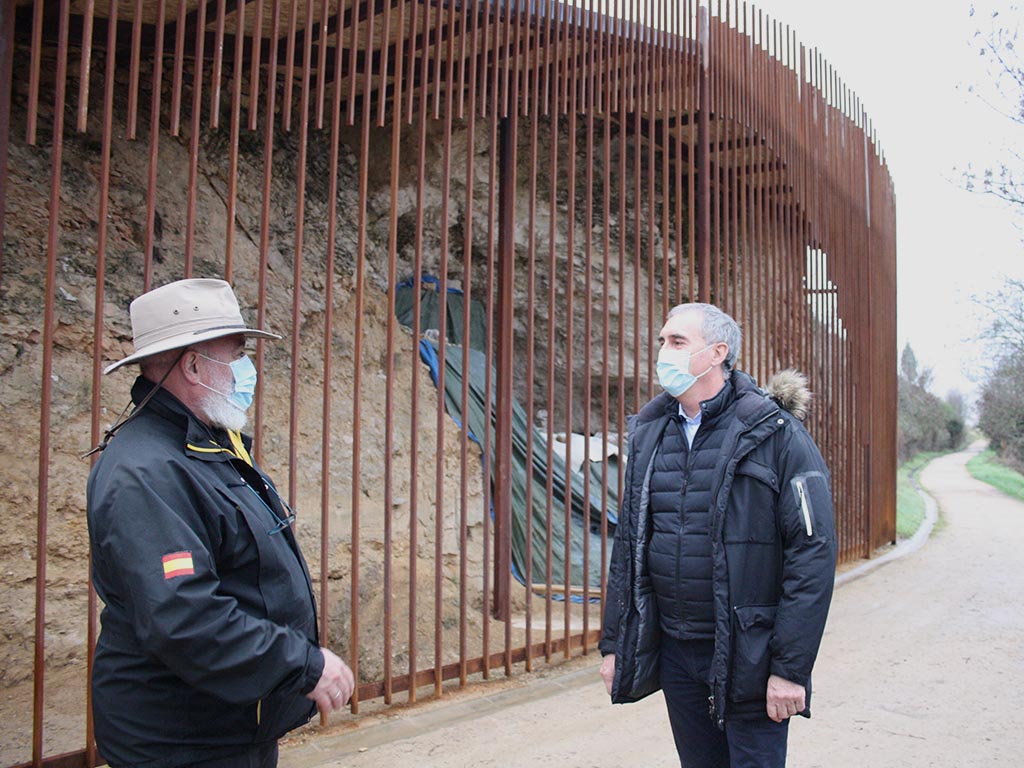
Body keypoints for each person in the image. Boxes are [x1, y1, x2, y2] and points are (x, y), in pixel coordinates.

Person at [87, 278, 354, 768]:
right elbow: (184, 618)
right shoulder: (146, 471)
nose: (246, 371)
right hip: (181, 741)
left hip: (225, 724)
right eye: (236, 355)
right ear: (192, 365)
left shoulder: (203, 447)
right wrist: (300, 664)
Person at [599, 302, 837, 768]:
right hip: (677, 651)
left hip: (749, 654)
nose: (663, 351)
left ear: (717, 353)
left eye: (677, 342)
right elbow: (629, 546)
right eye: (662, 341)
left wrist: (790, 670)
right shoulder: (650, 434)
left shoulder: (776, 434)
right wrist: (615, 644)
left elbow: (812, 555)